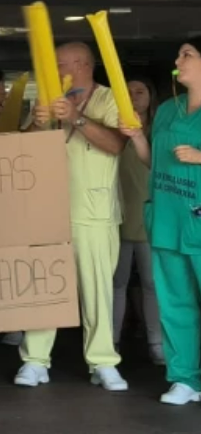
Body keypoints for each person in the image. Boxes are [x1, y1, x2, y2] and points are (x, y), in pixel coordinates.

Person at [22, 42, 128, 391]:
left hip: (94, 212)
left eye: (60, 64)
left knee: (98, 290)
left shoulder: (111, 98)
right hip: (47, 209)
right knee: (44, 287)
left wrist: (75, 117)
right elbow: (22, 149)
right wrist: (38, 125)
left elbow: (117, 145)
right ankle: (35, 360)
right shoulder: (48, 98)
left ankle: (103, 362)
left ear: (83, 64)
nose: (54, 71)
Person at [124, 38, 201, 405]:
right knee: (175, 303)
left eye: (188, 54)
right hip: (169, 218)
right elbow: (154, 163)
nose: (178, 60)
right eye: (179, 53)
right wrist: (138, 136)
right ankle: (185, 378)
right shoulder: (169, 110)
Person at [112, 77, 162, 366]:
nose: (133, 97)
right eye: (127, 92)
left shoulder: (159, 131)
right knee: (114, 283)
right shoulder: (112, 132)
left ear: (150, 96)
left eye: (140, 91)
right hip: (117, 217)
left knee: (151, 284)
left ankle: (156, 344)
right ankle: (111, 342)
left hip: (150, 217)